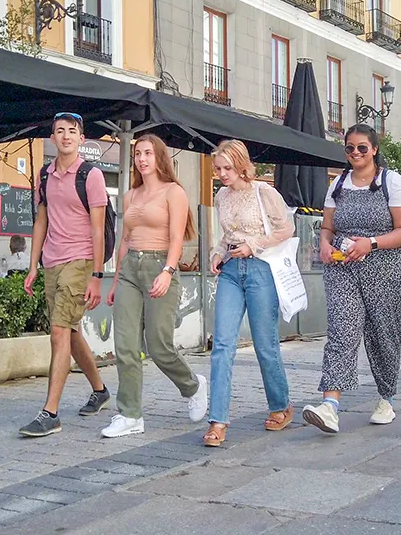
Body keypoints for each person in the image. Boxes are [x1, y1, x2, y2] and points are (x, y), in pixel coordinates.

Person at [303, 125, 401, 433]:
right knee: (342, 329)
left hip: (386, 267)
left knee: (383, 335)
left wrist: (371, 243)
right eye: (350, 148)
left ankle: (386, 398)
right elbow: (327, 227)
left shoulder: (391, 182)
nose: (355, 154)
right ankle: (330, 405)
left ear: (375, 149)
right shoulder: (338, 184)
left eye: (362, 148)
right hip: (343, 268)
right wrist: (324, 244)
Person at [103, 134, 208, 439]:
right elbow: (124, 239)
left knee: (158, 346)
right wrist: (116, 277)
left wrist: (167, 270)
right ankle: (130, 414)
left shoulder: (173, 192)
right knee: (125, 346)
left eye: (148, 153)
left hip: (160, 265)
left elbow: (177, 238)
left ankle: (193, 386)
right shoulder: (130, 195)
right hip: (129, 271)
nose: (141, 159)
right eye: (137, 154)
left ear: (159, 157)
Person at [18, 112, 110, 438]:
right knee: (70, 332)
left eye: (72, 131)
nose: (66, 136)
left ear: (81, 139)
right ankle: (99, 390)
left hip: (80, 259)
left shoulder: (92, 175)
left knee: (58, 332)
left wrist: (97, 274)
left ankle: (50, 412)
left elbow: (98, 230)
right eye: (60, 131)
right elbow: (41, 220)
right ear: (52, 138)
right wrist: (33, 264)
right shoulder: (45, 175)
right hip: (52, 262)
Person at [202, 139, 295, 447]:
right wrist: (217, 252)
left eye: (227, 168)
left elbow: (286, 230)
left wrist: (253, 245)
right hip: (230, 270)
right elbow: (225, 236)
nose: (222, 174)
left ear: (242, 166)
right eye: (218, 169)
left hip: (260, 269)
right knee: (223, 344)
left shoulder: (264, 192)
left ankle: (281, 405)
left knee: (265, 344)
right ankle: (217, 421)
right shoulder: (221, 196)